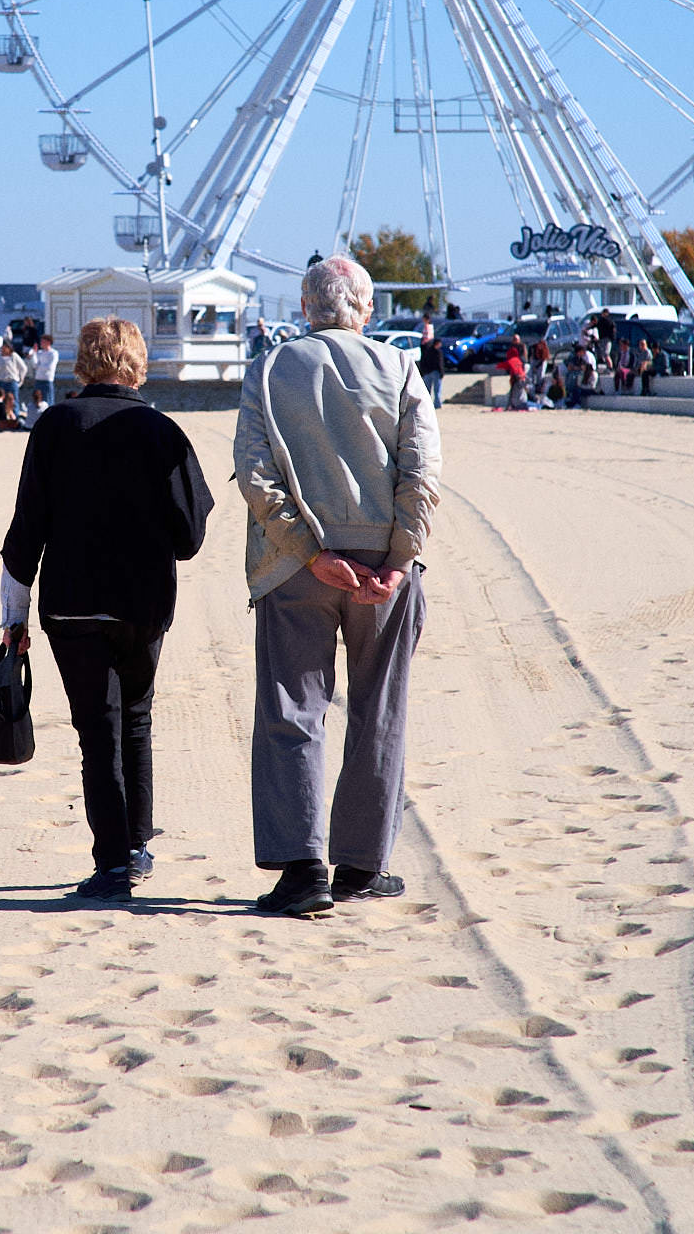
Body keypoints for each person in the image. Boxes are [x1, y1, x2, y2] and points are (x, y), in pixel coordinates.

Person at [234, 255, 440, 918]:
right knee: (379, 711)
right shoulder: (401, 368)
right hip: (382, 563)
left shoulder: (269, 369)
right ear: (365, 309)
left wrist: (306, 550)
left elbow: (253, 474)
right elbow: (422, 475)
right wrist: (400, 559)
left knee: (293, 709)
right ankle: (358, 863)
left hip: (297, 569)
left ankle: (301, 869)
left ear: (305, 306)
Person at [0, 317, 213, 901]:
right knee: (136, 720)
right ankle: (136, 848)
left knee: (97, 728)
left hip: (71, 604)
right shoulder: (162, 431)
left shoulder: (53, 426)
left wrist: (12, 617)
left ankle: (113, 864)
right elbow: (191, 537)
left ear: (82, 364)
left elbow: (26, 533)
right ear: (137, 364)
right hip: (142, 604)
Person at [417, 318, 447, 408]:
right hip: (436, 372)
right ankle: (437, 404)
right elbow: (440, 363)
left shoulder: (427, 351)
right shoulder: (438, 352)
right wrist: (442, 372)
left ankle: (427, 405)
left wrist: (423, 370)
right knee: (437, 390)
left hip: (427, 372)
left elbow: (423, 360)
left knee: (427, 390)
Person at [0, 338, 26, 417]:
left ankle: (15, 417)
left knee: (14, 401)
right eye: (2, 348)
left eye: (5, 347)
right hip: (2, 382)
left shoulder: (14, 356)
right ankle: (3, 417)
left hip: (12, 382)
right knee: (2, 401)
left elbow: (23, 368)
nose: (3, 349)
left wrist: (21, 380)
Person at [27, 333, 60, 416]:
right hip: (38, 379)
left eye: (43, 341)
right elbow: (34, 365)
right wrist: (34, 353)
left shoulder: (53, 353)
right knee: (37, 402)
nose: (41, 343)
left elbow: (49, 367)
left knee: (48, 401)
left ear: (48, 342)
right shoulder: (40, 353)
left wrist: (39, 366)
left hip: (47, 380)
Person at [496, 341, 530, 410]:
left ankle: (509, 406)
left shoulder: (513, 360)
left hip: (516, 380)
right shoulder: (520, 361)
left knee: (514, 395)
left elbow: (500, 366)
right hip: (519, 380)